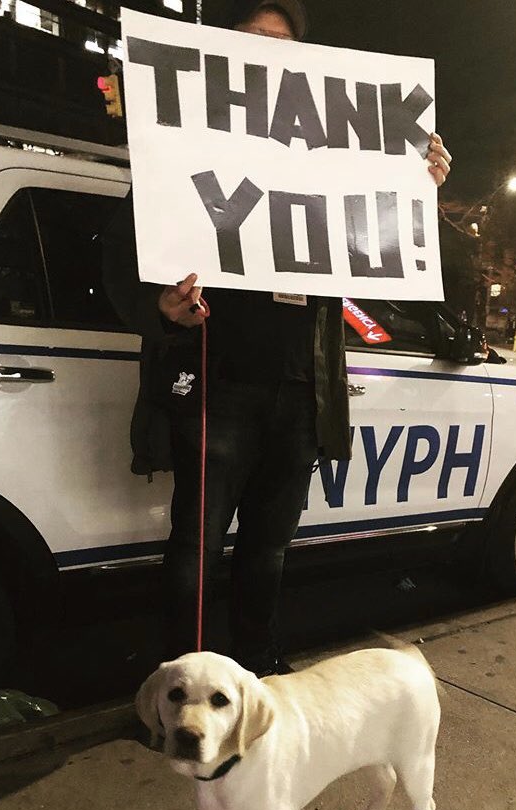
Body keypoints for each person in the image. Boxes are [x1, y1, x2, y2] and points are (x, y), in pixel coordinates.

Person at [103, 0, 452, 675]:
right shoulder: (185, 150)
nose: (266, 52)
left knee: (270, 547)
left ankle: (257, 667)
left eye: (280, 43)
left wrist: (415, 192)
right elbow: (122, 253)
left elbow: (380, 268)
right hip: (219, 381)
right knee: (197, 546)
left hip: (300, 393)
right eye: (252, 40)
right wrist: (162, 311)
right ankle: (182, 680)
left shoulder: (330, 164)